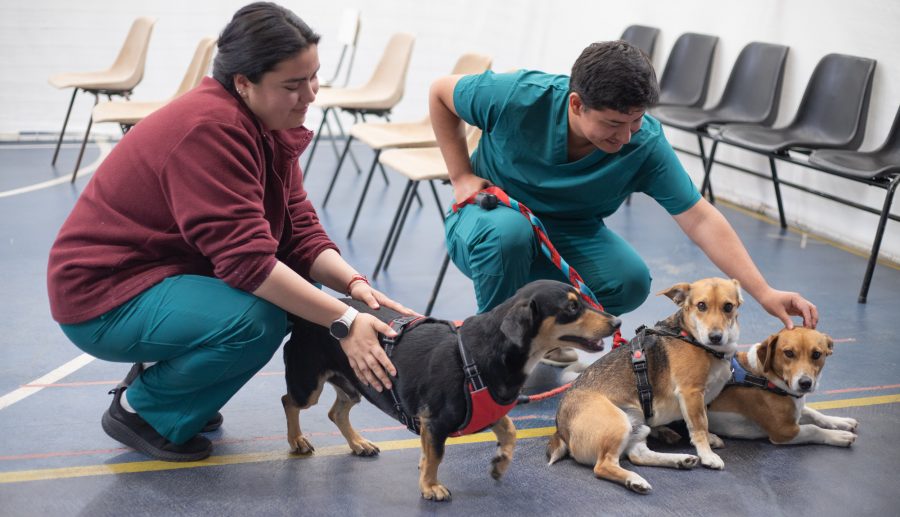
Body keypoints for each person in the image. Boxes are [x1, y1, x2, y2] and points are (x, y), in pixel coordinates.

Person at [47, 2, 410, 462]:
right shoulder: (209, 130)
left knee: (302, 294)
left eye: (314, 77)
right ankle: (143, 411)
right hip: (102, 298)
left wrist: (356, 287)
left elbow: (299, 230)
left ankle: (178, 387)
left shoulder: (267, 122)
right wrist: (345, 320)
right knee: (258, 319)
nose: (311, 94)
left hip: (159, 277)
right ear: (243, 82)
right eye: (293, 85)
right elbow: (249, 266)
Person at [429, 40, 818, 366]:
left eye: (636, 121)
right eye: (615, 124)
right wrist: (461, 175)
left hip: (569, 232)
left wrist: (764, 292)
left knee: (629, 281)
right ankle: (495, 354)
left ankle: (549, 335)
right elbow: (440, 92)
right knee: (508, 237)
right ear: (577, 104)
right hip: (492, 220)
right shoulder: (517, 97)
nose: (627, 136)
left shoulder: (643, 143)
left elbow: (699, 218)